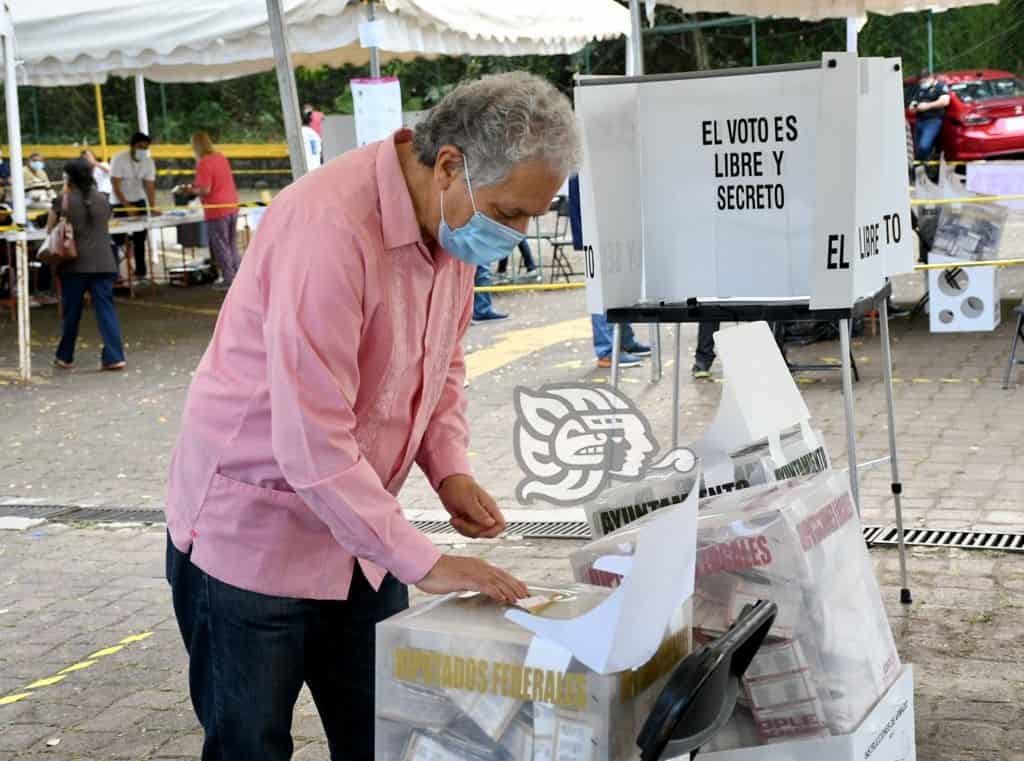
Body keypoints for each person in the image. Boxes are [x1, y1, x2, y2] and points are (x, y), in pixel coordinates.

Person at [165, 71, 577, 760]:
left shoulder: (451, 224)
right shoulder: (328, 228)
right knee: (250, 742)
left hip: (359, 535)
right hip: (255, 532)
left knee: (387, 733)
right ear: (450, 165)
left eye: (532, 215)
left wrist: (450, 470)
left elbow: (441, 362)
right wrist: (427, 561)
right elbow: (310, 444)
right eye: (510, 214)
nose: (519, 233)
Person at [48, 158, 126, 371]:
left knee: (71, 312)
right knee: (106, 310)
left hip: (74, 265)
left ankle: (65, 356)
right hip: (104, 263)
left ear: (68, 177)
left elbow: (50, 230)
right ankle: (114, 356)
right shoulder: (102, 199)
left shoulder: (63, 200)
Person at [181, 131, 241, 291]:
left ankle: (229, 279)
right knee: (232, 243)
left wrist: (189, 190)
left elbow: (205, 189)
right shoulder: (221, 157)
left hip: (216, 208)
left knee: (221, 245)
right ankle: (240, 276)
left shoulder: (204, 163)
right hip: (231, 205)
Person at [111, 132, 158, 284]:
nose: (142, 150)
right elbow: (115, 185)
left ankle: (141, 273)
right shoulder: (119, 159)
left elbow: (150, 186)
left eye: (145, 147)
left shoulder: (148, 162)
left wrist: (152, 207)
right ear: (132, 146)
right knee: (117, 239)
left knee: (140, 239)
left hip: (139, 200)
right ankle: (115, 274)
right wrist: (126, 205)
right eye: (140, 146)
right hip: (119, 202)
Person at [909, 70, 950, 162]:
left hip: (933, 120)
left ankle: (926, 162)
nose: (922, 84)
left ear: (930, 78)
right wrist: (914, 105)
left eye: (923, 81)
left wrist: (927, 106)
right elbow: (914, 101)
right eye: (920, 82)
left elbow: (945, 101)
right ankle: (922, 166)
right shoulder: (920, 89)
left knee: (924, 146)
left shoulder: (940, 87)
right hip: (919, 120)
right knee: (917, 149)